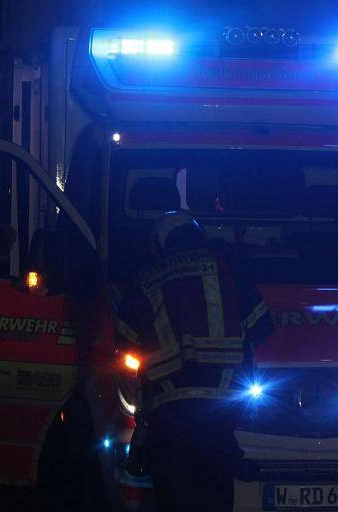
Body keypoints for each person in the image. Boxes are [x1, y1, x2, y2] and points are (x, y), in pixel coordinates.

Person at [116, 210, 271, 512]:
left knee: (174, 494)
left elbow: (124, 338)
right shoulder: (227, 268)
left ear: (159, 243)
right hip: (222, 407)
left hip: (168, 411)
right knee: (216, 489)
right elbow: (262, 326)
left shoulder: (146, 278)